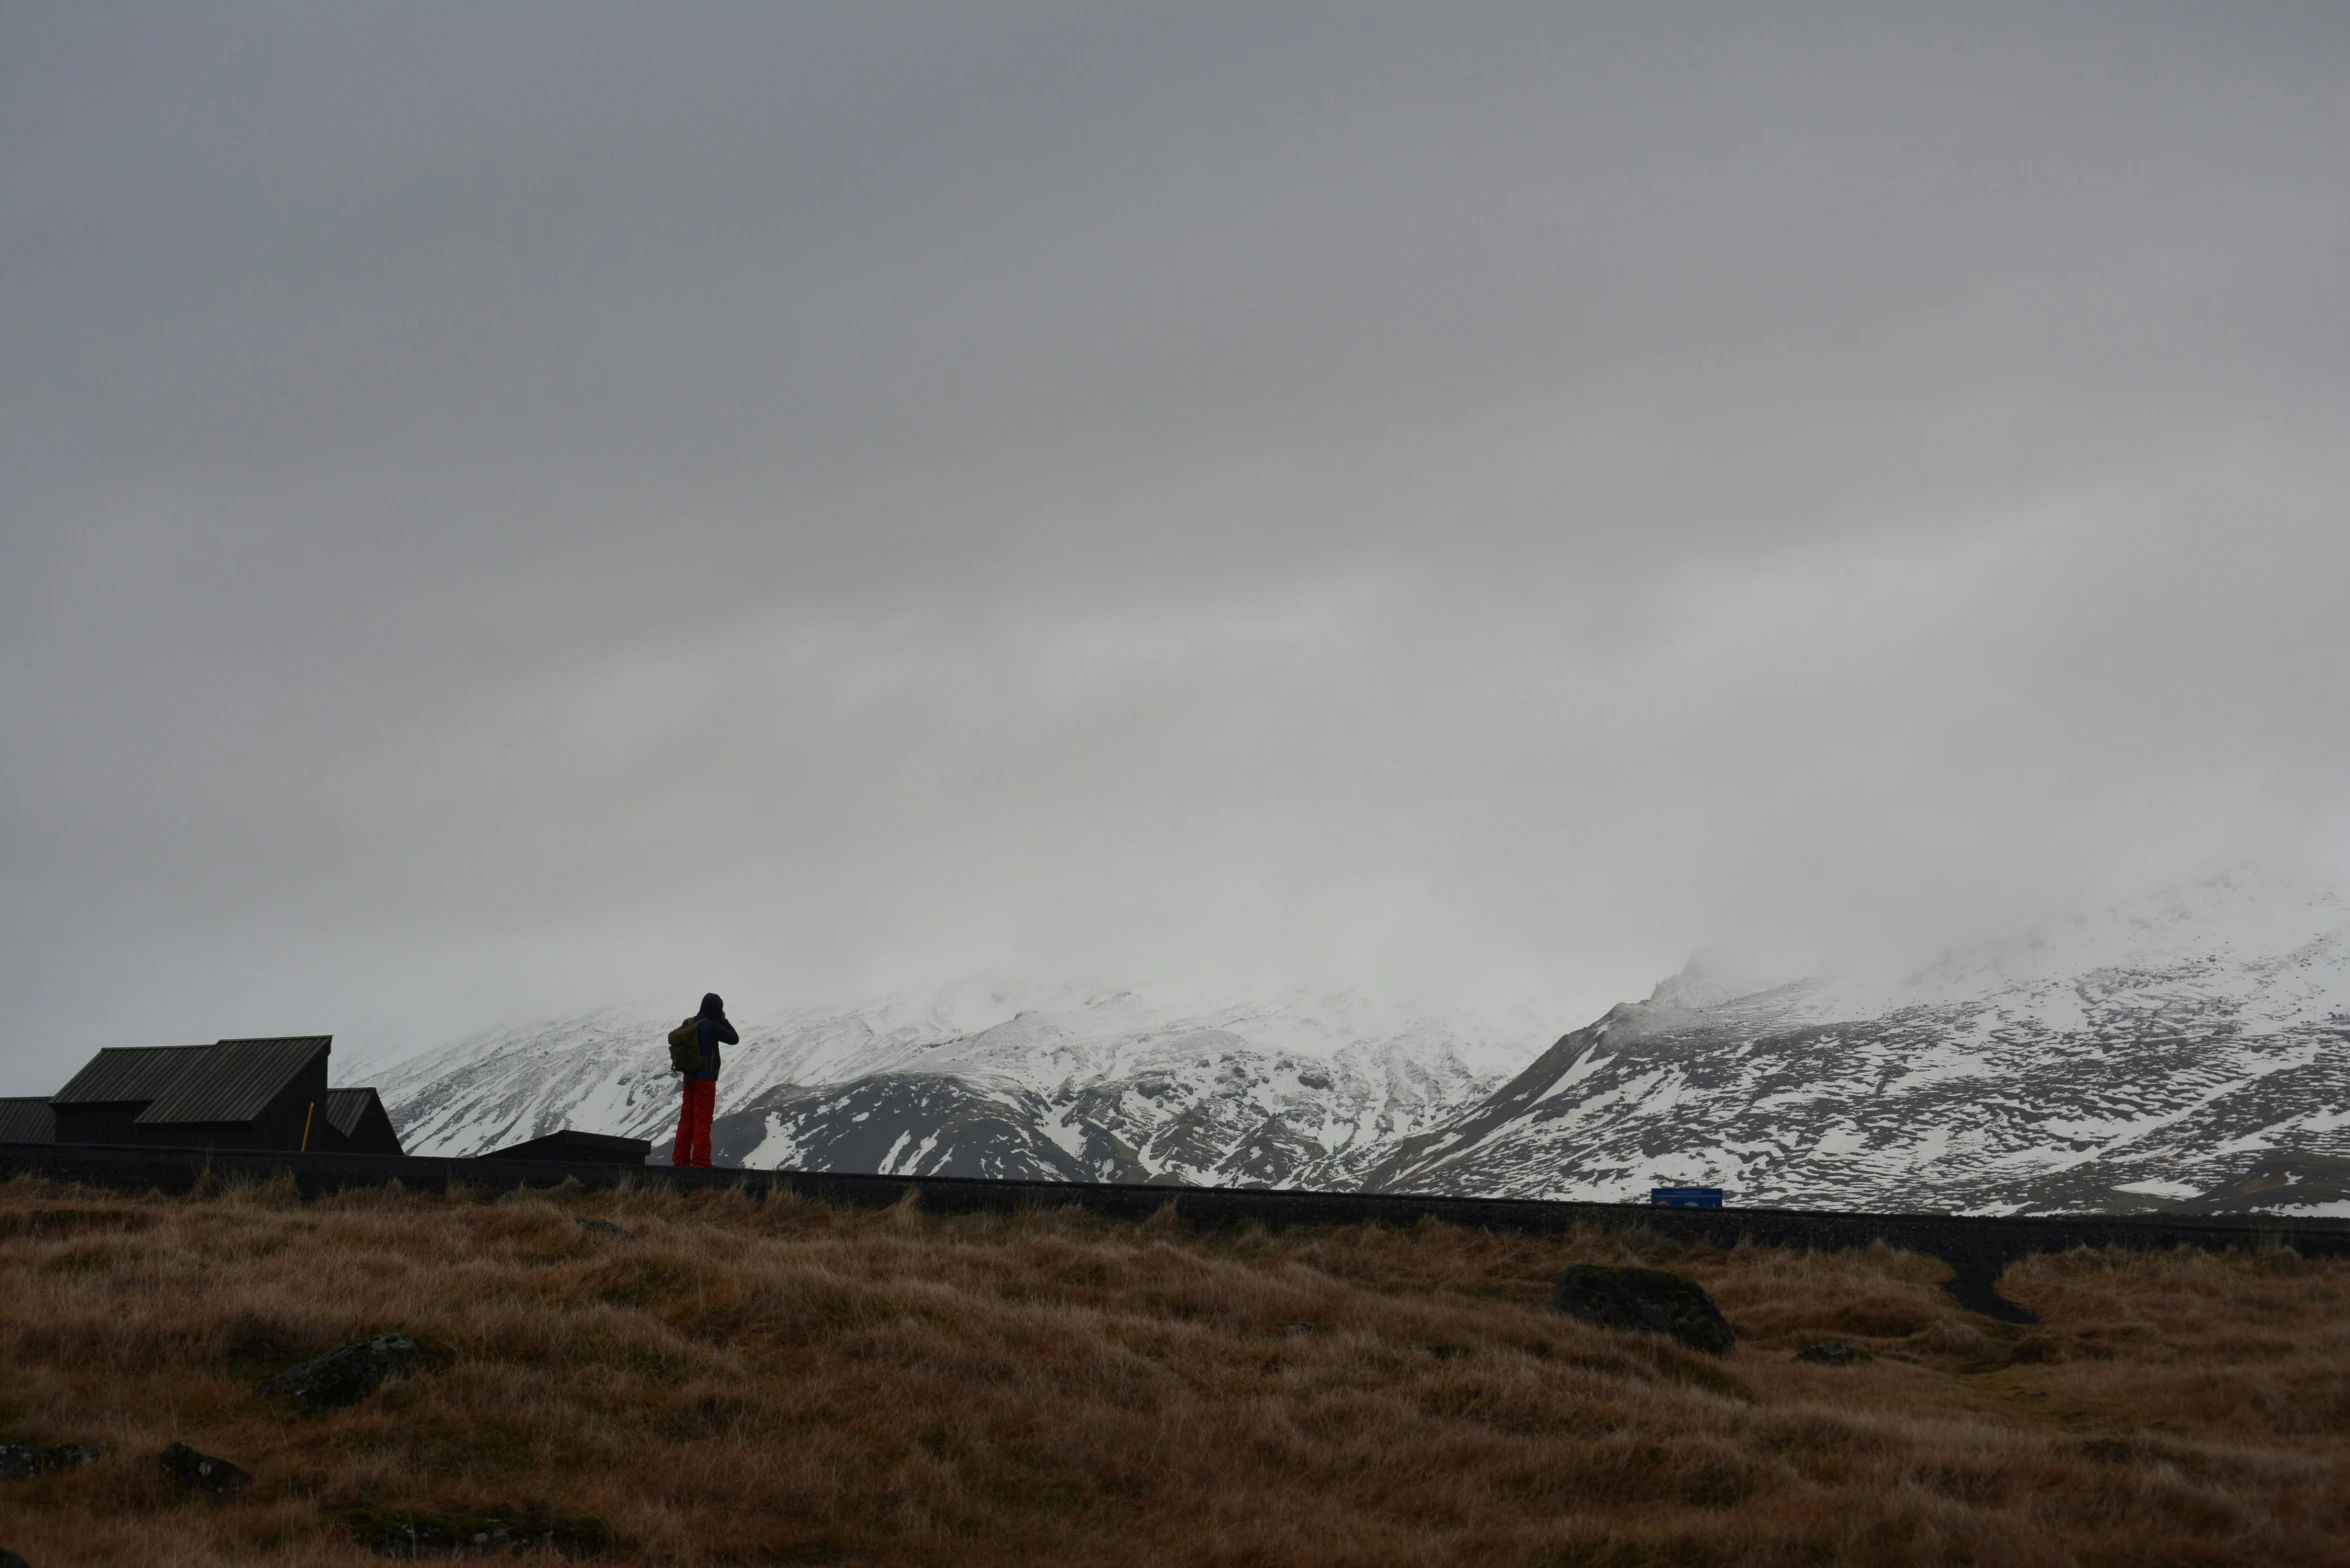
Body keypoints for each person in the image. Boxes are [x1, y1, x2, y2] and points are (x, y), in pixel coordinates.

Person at [670, 992, 736, 1169]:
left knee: (686, 1120)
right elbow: (733, 1038)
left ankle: (680, 1160)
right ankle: (701, 1162)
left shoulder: (689, 1024)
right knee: (702, 1121)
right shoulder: (712, 1025)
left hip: (689, 1079)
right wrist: (723, 1019)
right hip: (705, 1081)